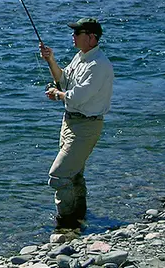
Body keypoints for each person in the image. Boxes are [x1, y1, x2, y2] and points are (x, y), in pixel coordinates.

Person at [38, 17, 114, 230]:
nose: (73, 36)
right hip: (70, 123)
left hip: (87, 126)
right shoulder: (80, 57)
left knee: (58, 174)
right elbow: (63, 80)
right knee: (75, 174)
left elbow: (78, 96)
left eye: (77, 33)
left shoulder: (99, 64)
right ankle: (79, 217)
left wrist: (58, 95)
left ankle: (66, 222)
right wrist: (51, 60)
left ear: (91, 37)